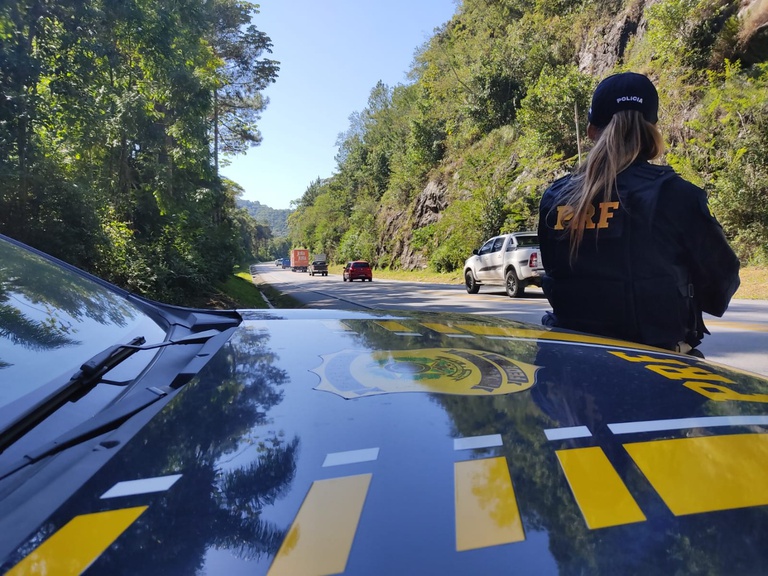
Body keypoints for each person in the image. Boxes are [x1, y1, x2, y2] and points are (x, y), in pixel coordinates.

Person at [537, 71, 740, 354]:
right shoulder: (676, 194)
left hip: (567, 364)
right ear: (652, 129)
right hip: (657, 366)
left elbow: (555, 274)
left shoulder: (555, 198)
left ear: (591, 131)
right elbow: (720, 284)